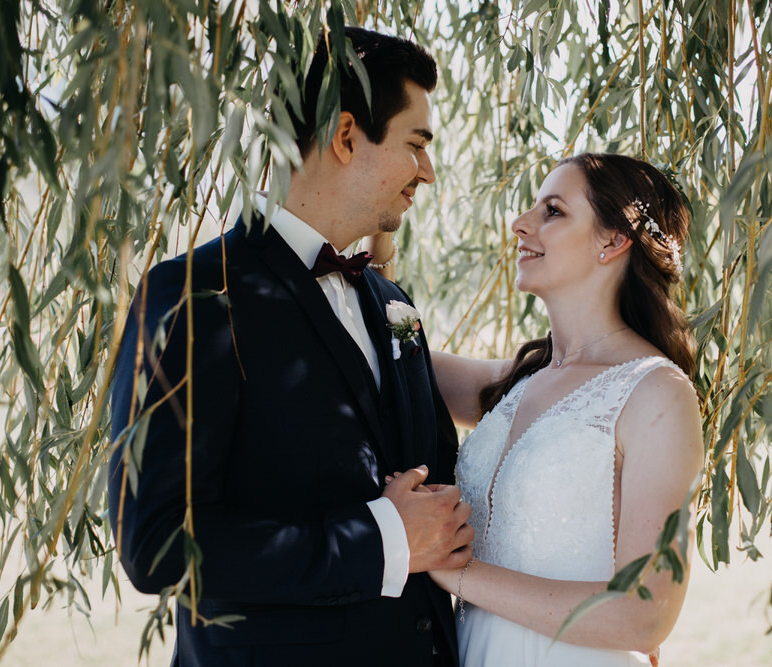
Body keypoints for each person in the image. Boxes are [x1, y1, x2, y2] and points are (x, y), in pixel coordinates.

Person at [108, 27, 473, 667]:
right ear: (345, 136)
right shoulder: (195, 295)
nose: (429, 172)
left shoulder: (392, 306)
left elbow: (442, 492)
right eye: (416, 145)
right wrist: (381, 539)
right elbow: (159, 544)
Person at [423, 153, 704, 666]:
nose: (520, 224)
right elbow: (390, 355)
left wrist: (456, 573)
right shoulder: (514, 382)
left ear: (613, 241)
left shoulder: (656, 393)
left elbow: (645, 613)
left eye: (552, 211)